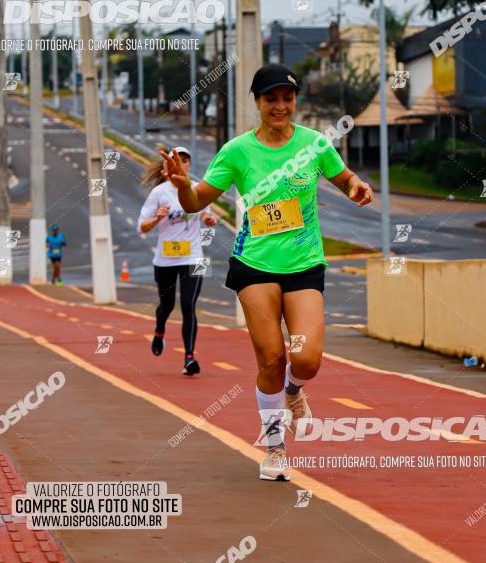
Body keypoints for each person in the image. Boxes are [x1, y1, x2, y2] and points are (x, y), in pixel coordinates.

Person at [160, 64, 373, 481]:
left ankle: (295, 392)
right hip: (254, 265)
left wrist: (355, 186)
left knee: (307, 360)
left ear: (296, 101)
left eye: (287, 98)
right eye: (270, 99)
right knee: (272, 357)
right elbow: (194, 202)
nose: (280, 106)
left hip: (304, 264)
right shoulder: (237, 151)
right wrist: (183, 184)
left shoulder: (314, 144)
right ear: (256, 103)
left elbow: (343, 177)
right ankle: (275, 447)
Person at [137, 146, 217, 376]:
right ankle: (160, 329)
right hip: (165, 260)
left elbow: (205, 214)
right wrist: (156, 218)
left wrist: (210, 220)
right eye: (175, 160)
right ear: (168, 166)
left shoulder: (197, 188)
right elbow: (141, 227)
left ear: (188, 165)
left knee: (188, 306)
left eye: (184, 160)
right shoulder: (159, 193)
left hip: (193, 256)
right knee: (167, 306)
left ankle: (189, 357)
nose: (180, 164)